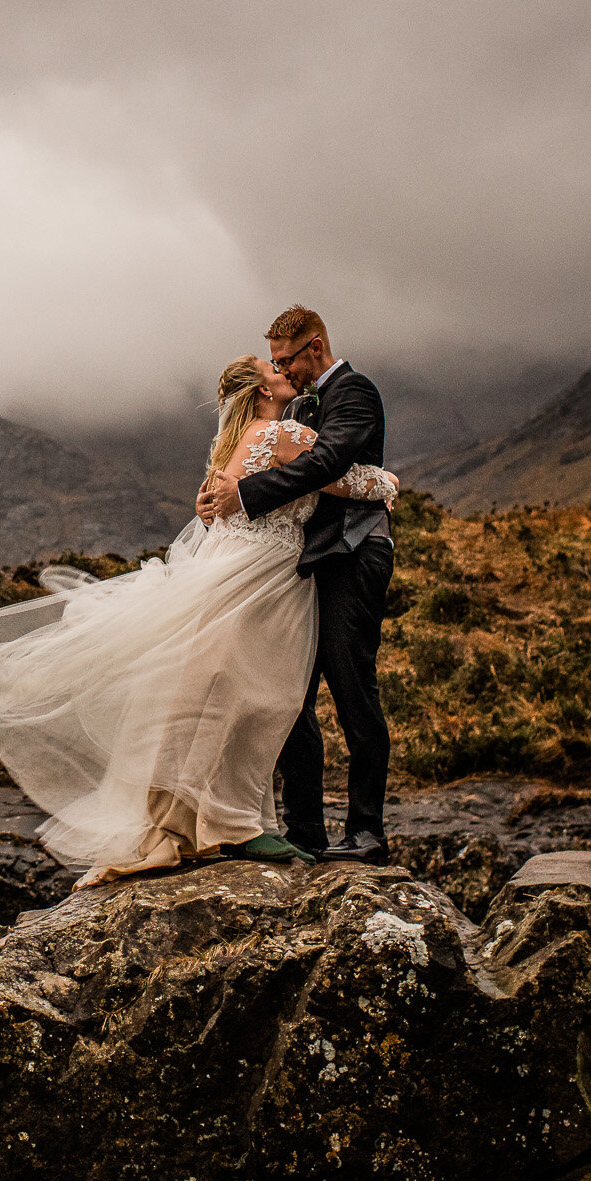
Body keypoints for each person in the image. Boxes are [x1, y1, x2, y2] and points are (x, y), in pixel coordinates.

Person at [0, 350, 396, 884]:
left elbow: (230, 500)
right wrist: (388, 483)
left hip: (234, 566)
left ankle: (208, 819)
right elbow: (354, 481)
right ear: (263, 391)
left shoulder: (231, 442)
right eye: (273, 369)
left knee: (218, 692)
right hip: (262, 576)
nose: (282, 372)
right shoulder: (286, 437)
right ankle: (236, 821)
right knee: (260, 696)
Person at [195, 305, 396, 863]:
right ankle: (304, 831)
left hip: (353, 553)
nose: (285, 368)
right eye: (275, 362)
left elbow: (328, 463)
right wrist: (223, 492)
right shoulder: (298, 406)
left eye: (288, 358)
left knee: (353, 688)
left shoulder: (354, 391)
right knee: (289, 697)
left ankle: (366, 833)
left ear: (315, 346)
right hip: (304, 564)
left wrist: (246, 493)